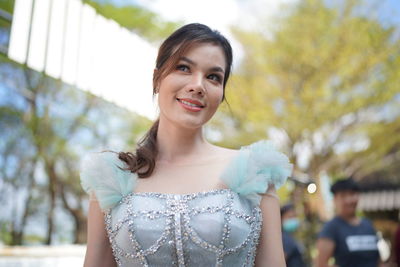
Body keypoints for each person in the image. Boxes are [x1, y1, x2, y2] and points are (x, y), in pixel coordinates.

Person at [80, 23, 293, 267]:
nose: (198, 85)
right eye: (183, 68)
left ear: (221, 93)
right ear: (157, 78)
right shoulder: (112, 177)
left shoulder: (254, 171)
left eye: (213, 77)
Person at [316, 178, 380, 267]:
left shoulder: (368, 225)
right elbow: (321, 264)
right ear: (335, 199)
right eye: (343, 196)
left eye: (352, 194)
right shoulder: (331, 228)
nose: (349, 200)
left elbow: (377, 260)